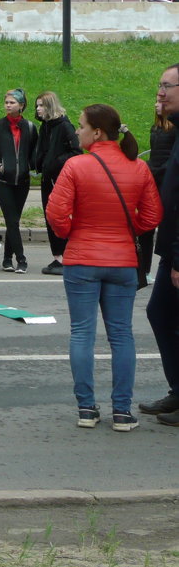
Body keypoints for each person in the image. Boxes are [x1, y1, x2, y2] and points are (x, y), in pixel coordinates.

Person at [46, 104, 162, 432]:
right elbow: (153, 217)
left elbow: (56, 214)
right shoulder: (138, 167)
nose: (77, 131)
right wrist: (128, 230)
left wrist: (73, 233)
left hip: (82, 260)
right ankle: (122, 412)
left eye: (81, 126)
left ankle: (86, 408)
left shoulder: (76, 166)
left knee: (82, 333)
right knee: (122, 335)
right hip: (123, 261)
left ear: (97, 132)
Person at [140, 64, 179, 426]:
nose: (161, 92)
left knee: (167, 314)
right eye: (160, 85)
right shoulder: (170, 130)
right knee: (160, 313)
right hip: (171, 246)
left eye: (167, 85)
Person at [0, 87, 38, 273]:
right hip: (2, 182)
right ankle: (21, 260)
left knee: (14, 221)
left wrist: (30, 165)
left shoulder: (29, 127)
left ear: (21, 106)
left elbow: (35, 151)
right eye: (6, 102)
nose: (8, 105)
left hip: (22, 182)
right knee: (12, 221)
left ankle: (6, 259)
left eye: (12, 102)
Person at [32, 91, 81, 276]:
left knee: (58, 215)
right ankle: (58, 255)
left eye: (41, 106)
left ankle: (64, 256)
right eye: (37, 106)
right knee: (50, 215)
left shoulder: (64, 126)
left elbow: (76, 151)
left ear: (50, 106)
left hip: (59, 178)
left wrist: (55, 163)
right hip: (47, 177)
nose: (38, 109)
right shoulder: (45, 126)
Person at [137, 101, 175, 283]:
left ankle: (168, 266)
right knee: (147, 226)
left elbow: (171, 156)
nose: (156, 105)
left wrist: (159, 169)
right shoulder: (156, 127)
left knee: (168, 224)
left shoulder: (174, 128)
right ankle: (144, 269)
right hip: (153, 177)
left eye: (160, 103)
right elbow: (155, 155)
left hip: (165, 178)